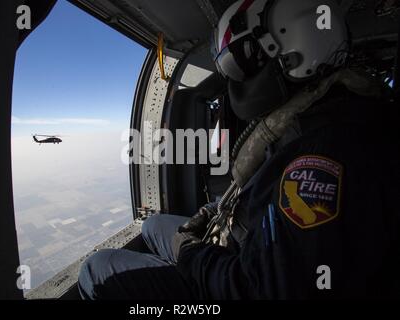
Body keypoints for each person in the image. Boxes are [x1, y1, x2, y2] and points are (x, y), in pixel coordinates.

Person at [78, 0, 399, 300]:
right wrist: (217, 209)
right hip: (240, 244)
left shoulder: (322, 155)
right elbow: (266, 194)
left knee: (96, 269)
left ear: (297, 51)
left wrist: (192, 255)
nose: (232, 82)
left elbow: (259, 289)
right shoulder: (313, 118)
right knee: (151, 225)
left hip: (235, 278)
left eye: (239, 62)